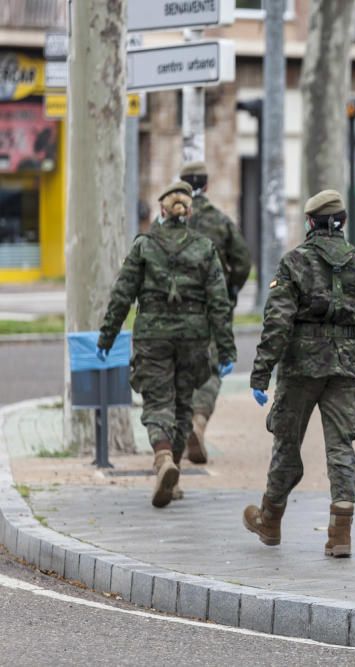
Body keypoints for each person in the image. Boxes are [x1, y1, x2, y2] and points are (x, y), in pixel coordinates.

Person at [243, 190, 355, 558]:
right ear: (342, 222)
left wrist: (261, 374)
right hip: (347, 366)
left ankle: (270, 520)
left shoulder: (295, 262)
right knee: (341, 446)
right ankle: (340, 533)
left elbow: (277, 322)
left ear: (310, 222)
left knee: (286, 443)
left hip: (301, 366)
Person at [97, 180, 236, 508]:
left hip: (152, 336)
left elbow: (122, 295)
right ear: (188, 212)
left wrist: (107, 336)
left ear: (162, 211)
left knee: (158, 401)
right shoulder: (204, 247)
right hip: (193, 337)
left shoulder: (144, 245)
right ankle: (173, 477)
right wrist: (227, 350)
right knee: (183, 403)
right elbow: (219, 302)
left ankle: (163, 460)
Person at [178, 161, 252, 465]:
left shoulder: (171, 221)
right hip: (212, 308)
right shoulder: (220, 222)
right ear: (206, 186)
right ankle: (198, 422)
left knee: (175, 370)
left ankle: (173, 438)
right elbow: (244, 261)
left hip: (174, 308)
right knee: (209, 369)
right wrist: (231, 290)